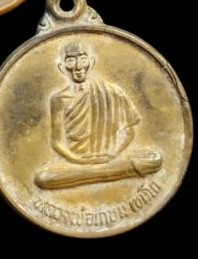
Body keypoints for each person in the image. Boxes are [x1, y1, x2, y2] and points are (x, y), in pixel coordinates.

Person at [35, 41, 162, 189]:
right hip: (76, 162)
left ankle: (95, 173)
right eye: (70, 62)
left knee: (153, 159)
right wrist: (78, 159)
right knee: (43, 178)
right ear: (61, 67)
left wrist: (113, 153)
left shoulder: (113, 91)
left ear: (92, 62)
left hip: (111, 157)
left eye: (83, 60)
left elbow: (130, 130)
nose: (78, 67)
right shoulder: (59, 99)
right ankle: (107, 172)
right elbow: (57, 142)